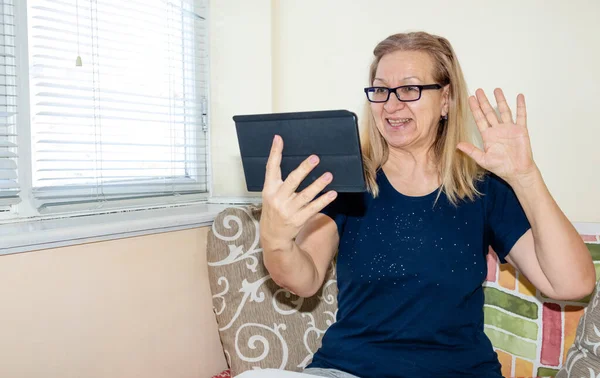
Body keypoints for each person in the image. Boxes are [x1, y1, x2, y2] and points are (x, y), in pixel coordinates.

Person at [239, 31, 596, 378]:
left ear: (446, 100)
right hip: (348, 370)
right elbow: (304, 279)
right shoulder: (349, 181)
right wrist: (275, 239)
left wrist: (526, 177)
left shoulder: (483, 188)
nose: (392, 105)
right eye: (381, 90)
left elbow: (571, 285)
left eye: (410, 88)